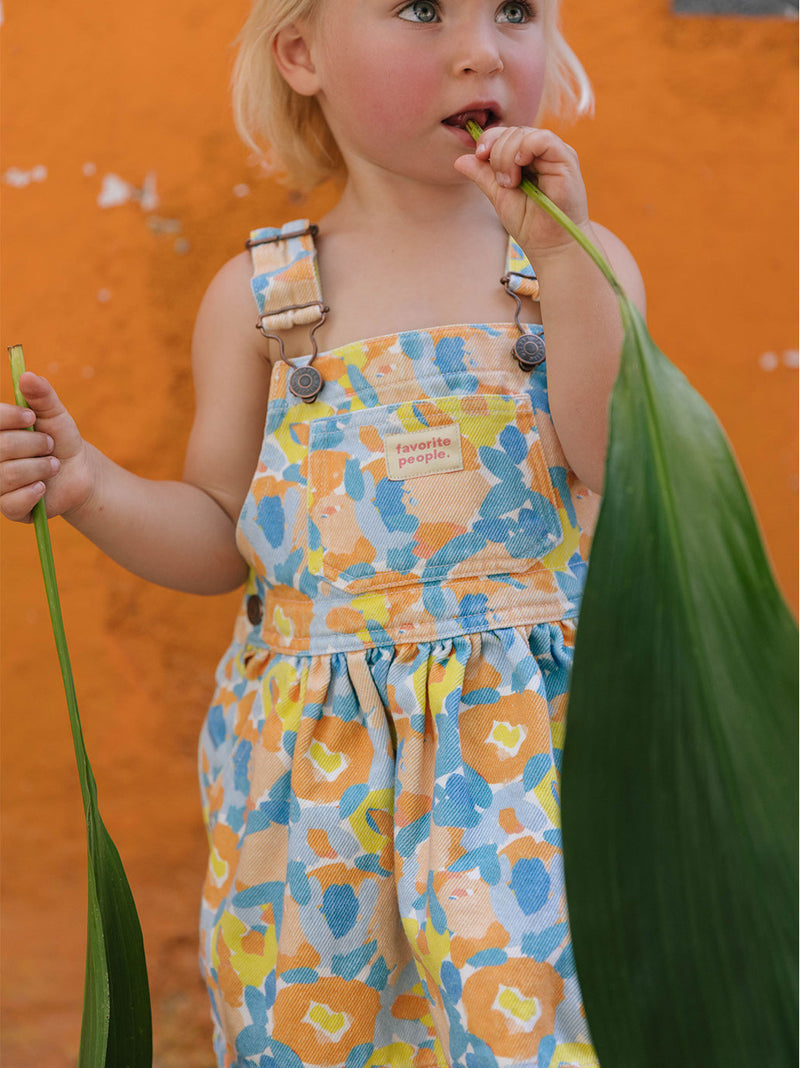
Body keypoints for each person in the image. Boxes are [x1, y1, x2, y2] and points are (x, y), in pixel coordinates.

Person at [0, 0, 646, 1063]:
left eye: (516, 11)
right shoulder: (263, 297)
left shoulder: (579, 265)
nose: (480, 46)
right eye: (421, 9)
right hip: (314, 785)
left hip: (530, 757)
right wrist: (89, 486)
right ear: (300, 54)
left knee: (538, 1033)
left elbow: (609, 464)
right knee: (316, 1035)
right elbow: (221, 533)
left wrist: (565, 264)